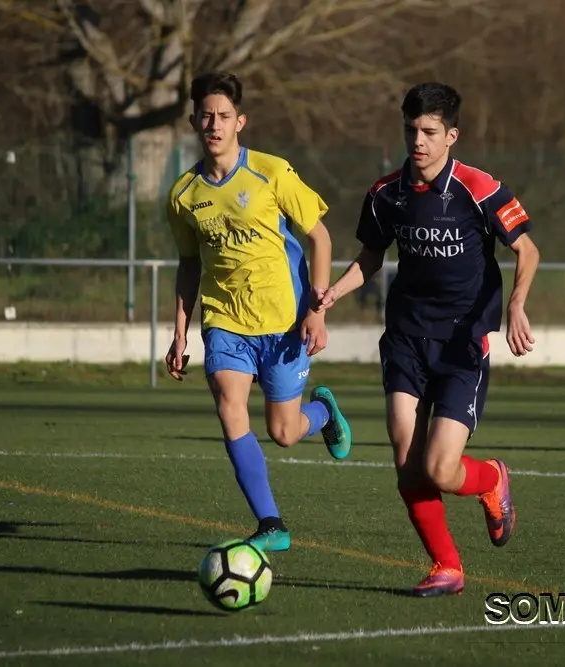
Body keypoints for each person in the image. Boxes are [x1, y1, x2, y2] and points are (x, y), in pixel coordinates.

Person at [317, 82, 540, 596]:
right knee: (407, 460)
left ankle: (492, 479)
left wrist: (516, 305)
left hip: (462, 344)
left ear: (451, 136)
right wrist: (333, 294)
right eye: (411, 130)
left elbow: (527, 250)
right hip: (406, 340)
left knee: (440, 468)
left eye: (429, 132)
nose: (417, 140)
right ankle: (447, 567)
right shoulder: (385, 194)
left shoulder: (479, 188)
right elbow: (370, 257)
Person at [164, 71, 352, 554]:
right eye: (206, 116)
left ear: (240, 122)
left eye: (224, 116)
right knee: (229, 406)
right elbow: (189, 264)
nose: (215, 124)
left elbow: (320, 237)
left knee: (284, 432)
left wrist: (317, 312)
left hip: (284, 320)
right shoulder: (183, 195)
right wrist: (180, 332)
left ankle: (322, 412)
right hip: (225, 321)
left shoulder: (271, 171)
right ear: (193, 121)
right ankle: (271, 523)